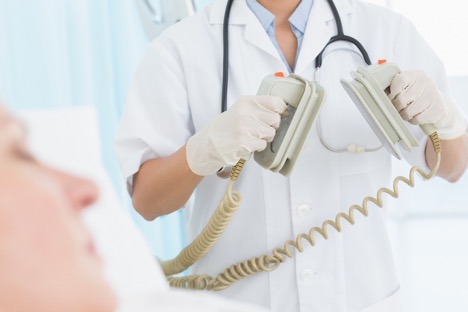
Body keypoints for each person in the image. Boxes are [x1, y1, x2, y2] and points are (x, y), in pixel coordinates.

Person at [115, 0, 468, 311]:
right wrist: (205, 148)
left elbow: (453, 166)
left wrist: (446, 118)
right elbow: (148, 201)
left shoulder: (386, 32)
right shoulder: (180, 48)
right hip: (238, 301)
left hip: (363, 300)